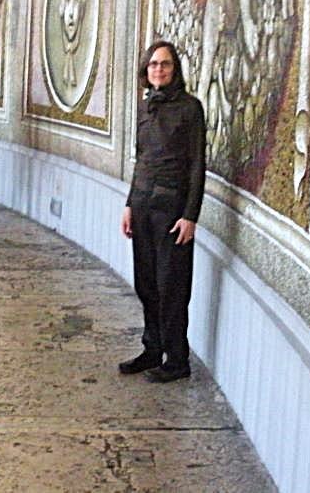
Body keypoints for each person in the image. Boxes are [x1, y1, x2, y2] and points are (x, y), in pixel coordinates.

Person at [119, 41, 206, 383]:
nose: (159, 69)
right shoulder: (145, 108)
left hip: (172, 211)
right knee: (146, 283)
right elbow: (140, 160)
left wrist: (191, 215)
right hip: (142, 205)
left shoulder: (190, 108)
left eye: (165, 64)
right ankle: (152, 348)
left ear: (175, 69)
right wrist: (129, 203)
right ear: (146, 70)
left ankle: (177, 359)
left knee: (172, 286)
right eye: (154, 64)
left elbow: (198, 165)